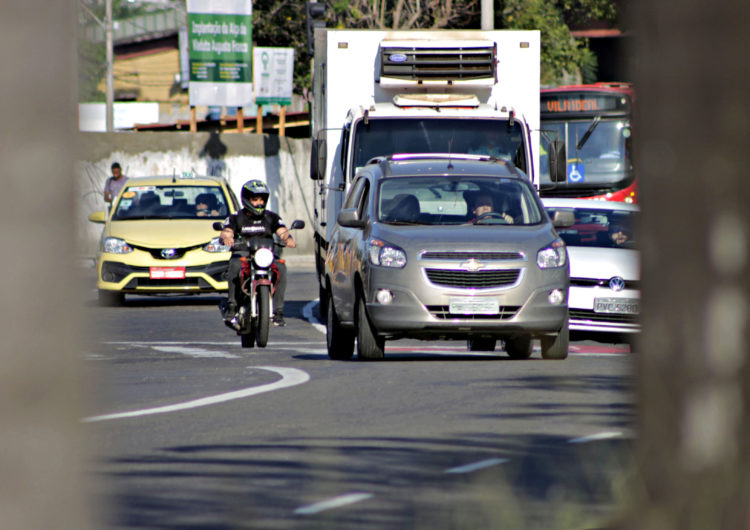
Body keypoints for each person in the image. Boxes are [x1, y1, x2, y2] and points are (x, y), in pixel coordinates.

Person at [219, 180, 296, 327]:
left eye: (262, 199)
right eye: (255, 199)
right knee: (235, 264)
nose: (259, 203)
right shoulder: (236, 217)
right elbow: (227, 231)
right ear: (247, 200)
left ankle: (278, 311)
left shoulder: (271, 217)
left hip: (265, 254)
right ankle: (232, 305)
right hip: (243, 253)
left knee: (281, 267)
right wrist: (227, 238)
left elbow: (282, 231)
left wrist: (288, 239)